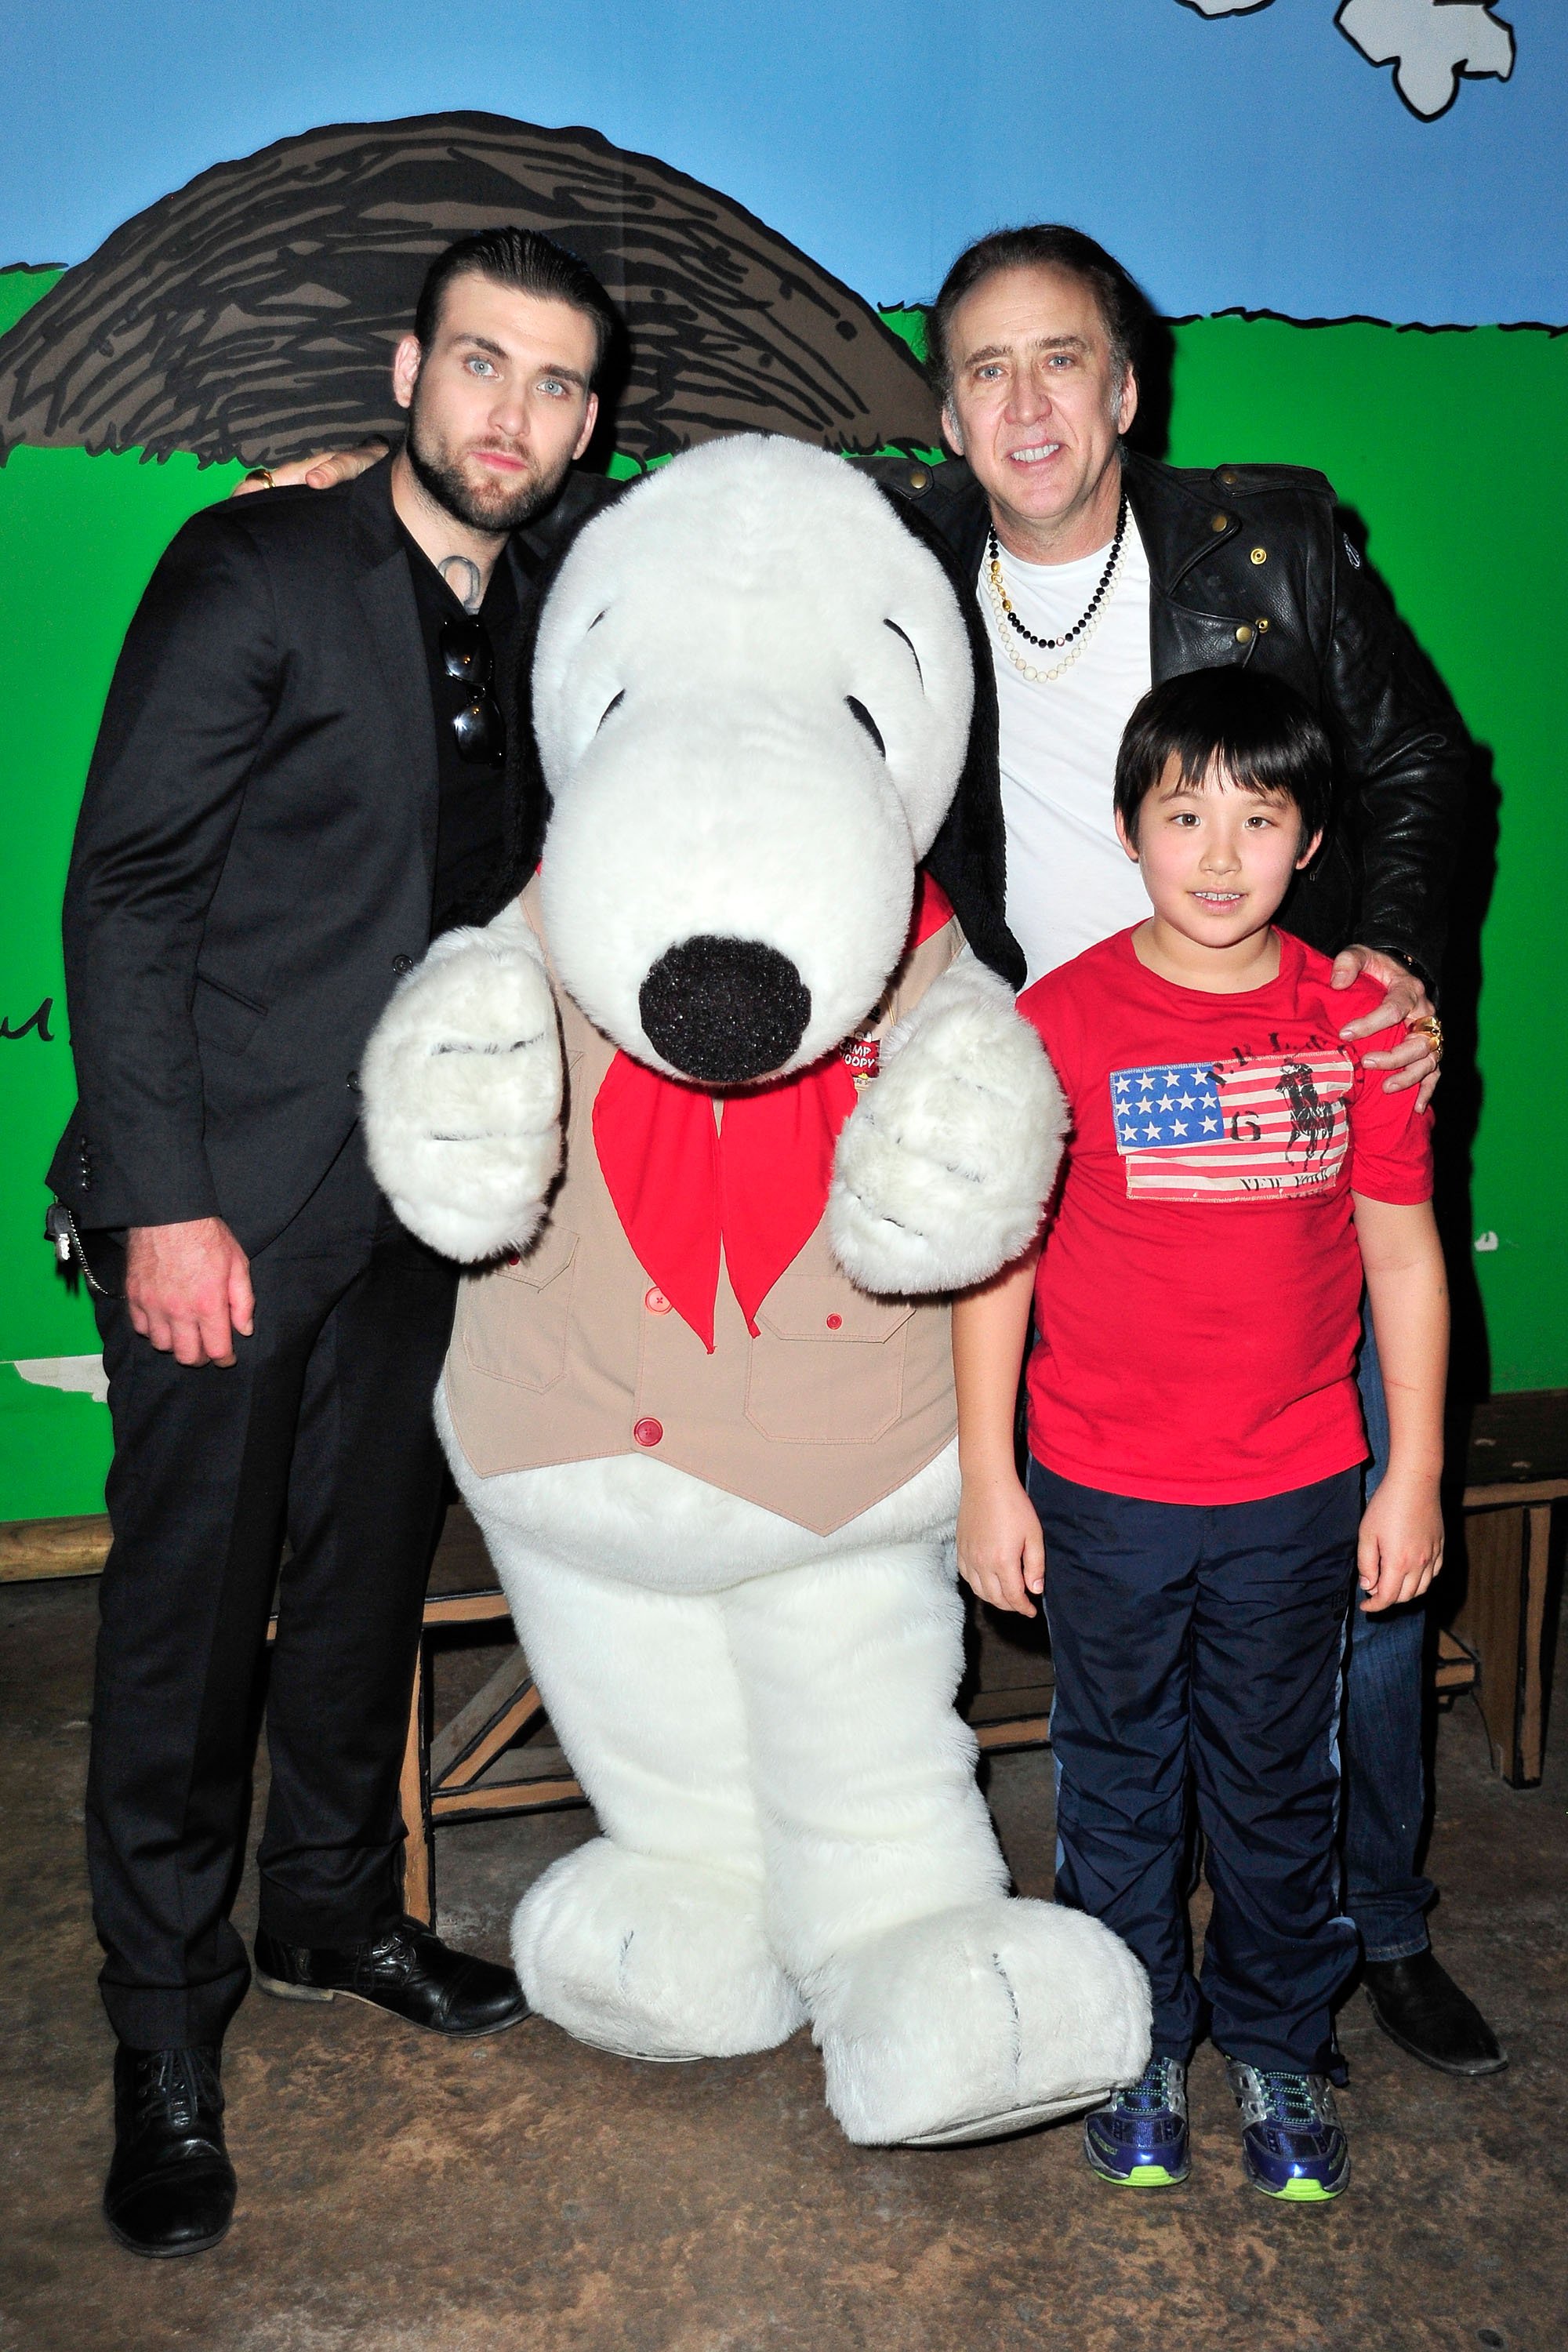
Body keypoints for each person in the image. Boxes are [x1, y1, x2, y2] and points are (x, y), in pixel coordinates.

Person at [872, 223, 1502, 2079]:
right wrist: (390, 501)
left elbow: (1425, 771)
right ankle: (1124, 1979)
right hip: (1063, 1112)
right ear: (946, 415)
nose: (1025, 401)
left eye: (1060, 359)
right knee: (1117, 1598)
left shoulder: (1270, 547)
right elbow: (677, 553)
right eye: (983, 368)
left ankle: (1373, 1923)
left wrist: (1386, 953)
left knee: (1358, 1573)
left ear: (1128, 387)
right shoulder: (898, 567)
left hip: (1292, 1107)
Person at [47, 226, 619, 2259]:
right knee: (187, 1627)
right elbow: (119, 898)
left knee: (365, 1565)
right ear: (403, 370)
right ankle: (161, 2022)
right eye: (481, 365)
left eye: (557, 385)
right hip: (227, 1194)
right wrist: (165, 1202)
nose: (513, 416)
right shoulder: (254, 571)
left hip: (419, 1201)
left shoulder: (558, 586)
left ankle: (323, 1912)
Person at [955, 667, 1447, 2197]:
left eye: (1259, 817)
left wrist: (1410, 1470)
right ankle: (1135, 2040)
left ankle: (1283, 2042)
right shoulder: (1062, 1020)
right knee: (1114, 1781)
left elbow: (1401, 1254)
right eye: (1184, 816)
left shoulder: (1357, 1018)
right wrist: (989, 1480)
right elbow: (1001, 1261)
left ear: (1309, 844)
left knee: (1272, 1780)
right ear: (1125, 829)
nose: (1219, 854)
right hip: (1102, 1491)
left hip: (1296, 1488)